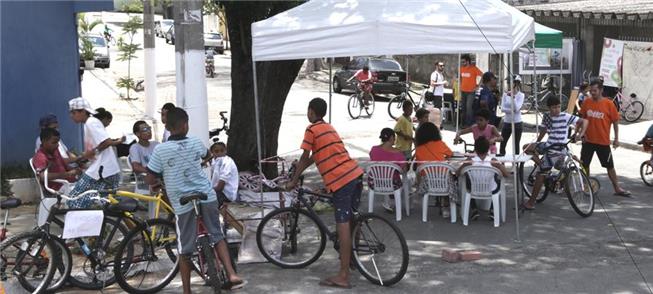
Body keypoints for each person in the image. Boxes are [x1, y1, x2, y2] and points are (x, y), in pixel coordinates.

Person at [145, 108, 245, 293]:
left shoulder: (160, 150)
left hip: (182, 202)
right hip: (206, 195)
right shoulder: (195, 142)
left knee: (185, 248)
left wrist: (160, 180)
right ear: (185, 125)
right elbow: (207, 156)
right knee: (217, 234)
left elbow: (150, 178)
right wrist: (196, 165)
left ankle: (187, 290)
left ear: (168, 126)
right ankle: (231, 274)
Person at [287, 98, 363, 289]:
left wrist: (294, 180)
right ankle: (352, 258)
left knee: (343, 225)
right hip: (355, 174)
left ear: (311, 112)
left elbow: (305, 157)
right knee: (352, 218)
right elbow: (314, 157)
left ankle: (343, 275)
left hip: (341, 181)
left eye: (308, 111)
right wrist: (300, 169)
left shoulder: (311, 130)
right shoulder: (329, 128)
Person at [522, 95, 588, 209]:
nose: (556, 110)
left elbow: (584, 121)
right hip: (549, 147)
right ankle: (541, 164)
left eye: (558, 107)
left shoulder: (565, 116)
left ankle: (530, 203)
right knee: (526, 147)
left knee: (540, 175)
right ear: (549, 108)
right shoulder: (547, 116)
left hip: (558, 150)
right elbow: (544, 130)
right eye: (553, 107)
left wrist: (580, 135)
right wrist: (537, 141)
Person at [66, 97, 123, 208]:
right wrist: (86, 157)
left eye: (73, 113)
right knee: (107, 202)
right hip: (107, 170)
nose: (71, 116)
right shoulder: (90, 123)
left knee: (74, 199)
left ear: (82, 111)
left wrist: (92, 152)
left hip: (102, 170)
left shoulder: (91, 123)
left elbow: (107, 142)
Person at [579, 79, 631, 197]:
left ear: (601, 90)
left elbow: (615, 122)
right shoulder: (586, 102)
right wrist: (578, 133)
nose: (592, 93)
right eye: (591, 91)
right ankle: (586, 186)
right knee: (584, 165)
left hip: (603, 142)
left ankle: (617, 188)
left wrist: (616, 139)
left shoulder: (609, 104)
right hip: (588, 141)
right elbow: (581, 119)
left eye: (595, 90)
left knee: (610, 166)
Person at [456, 136, 510, 219]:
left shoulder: (470, 160)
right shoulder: (493, 160)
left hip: (474, 188)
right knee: (496, 177)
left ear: (475, 149)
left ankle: (474, 208)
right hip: (491, 189)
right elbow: (506, 174)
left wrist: (465, 164)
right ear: (488, 148)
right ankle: (492, 209)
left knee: (467, 177)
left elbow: (458, 173)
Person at [414, 122, 453, 218]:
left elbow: (419, 168)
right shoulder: (440, 144)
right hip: (444, 181)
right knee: (451, 177)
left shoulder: (418, 149)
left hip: (427, 182)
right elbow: (450, 154)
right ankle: (446, 206)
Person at [32, 128, 81, 194]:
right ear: (44, 141)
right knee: (87, 192)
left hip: (69, 183)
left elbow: (65, 166)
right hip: (57, 188)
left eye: (57, 142)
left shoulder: (54, 151)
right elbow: (42, 177)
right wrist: (67, 174)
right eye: (54, 142)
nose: (57, 145)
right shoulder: (40, 157)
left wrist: (77, 170)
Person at [370, 128, 407, 212]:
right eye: (394, 137)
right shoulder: (398, 153)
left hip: (375, 182)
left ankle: (387, 202)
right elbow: (404, 170)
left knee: (385, 176)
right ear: (391, 138)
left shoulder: (373, 150)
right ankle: (397, 201)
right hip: (392, 183)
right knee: (404, 180)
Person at [499, 75, 525, 156]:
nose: (508, 84)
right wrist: (511, 110)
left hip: (517, 123)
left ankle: (516, 164)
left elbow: (517, 108)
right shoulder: (505, 94)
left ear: (516, 84)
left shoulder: (521, 95)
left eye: (510, 82)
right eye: (508, 82)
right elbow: (502, 109)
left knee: (516, 144)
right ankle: (502, 162)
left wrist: (513, 98)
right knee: (502, 143)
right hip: (507, 122)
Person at [129, 121, 159, 191]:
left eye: (149, 128)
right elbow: (136, 167)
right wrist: (153, 172)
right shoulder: (135, 147)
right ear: (137, 134)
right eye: (145, 130)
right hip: (146, 178)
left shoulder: (156, 144)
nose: (149, 131)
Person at [210, 142, 239, 206]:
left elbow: (220, 187)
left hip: (227, 194)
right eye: (216, 151)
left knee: (206, 202)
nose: (220, 153)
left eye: (222, 151)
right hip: (219, 191)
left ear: (225, 151)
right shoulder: (214, 161)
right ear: (212, 153)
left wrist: (208, 190)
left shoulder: (227, 162)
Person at [459, 54, 483, 126]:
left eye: (463, 62)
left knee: (469, 108)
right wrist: (460, 85)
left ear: (468, 61)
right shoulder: (461, 68)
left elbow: (483, 75)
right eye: (462, 62)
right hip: (463, 91)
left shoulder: (474, 68)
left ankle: (469, 124)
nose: (462, 63)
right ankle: (463, 124)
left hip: (471, 92)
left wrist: (478, 86)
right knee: (463, 108)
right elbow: (460, 77)